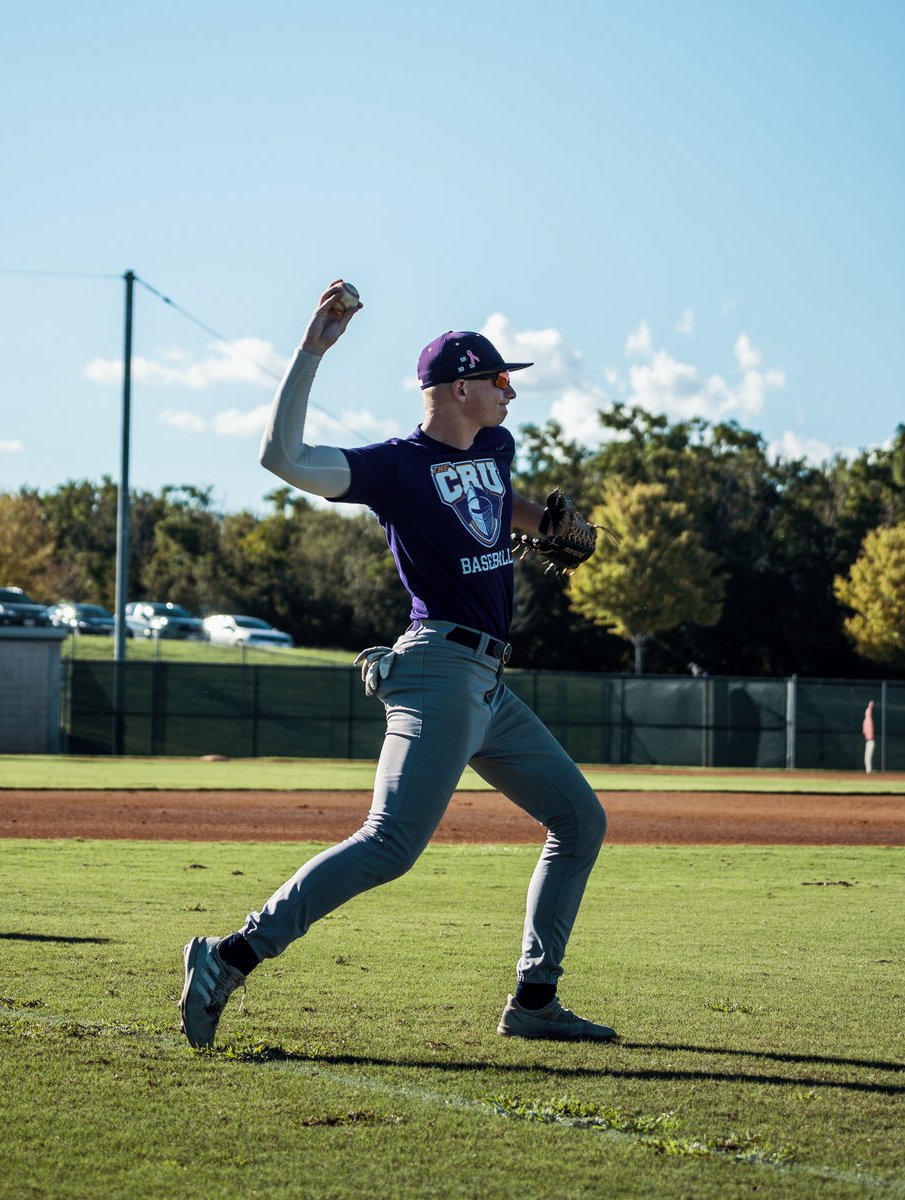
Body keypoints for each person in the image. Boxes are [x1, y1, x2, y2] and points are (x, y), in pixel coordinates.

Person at [179, 281, 614, 1049]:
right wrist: (313, 348)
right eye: (499, 379)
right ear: (457, 389)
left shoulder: (495, 447)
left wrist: (540, 523)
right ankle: (230, 955)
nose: (511, 391)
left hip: (487, 683)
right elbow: (281, 457)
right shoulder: (396, 468)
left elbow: (495, 502)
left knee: (580, 821)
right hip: (441, 669)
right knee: (389, 844)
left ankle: (534, 1000)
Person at [862, 699, 876, 773]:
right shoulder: (866, 721)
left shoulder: (869, 720)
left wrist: (870, 705)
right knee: (867, 757)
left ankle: (869, 771)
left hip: (870, 741)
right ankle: (868, 770)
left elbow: (869, 710)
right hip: (868, 741)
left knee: (868, 757)